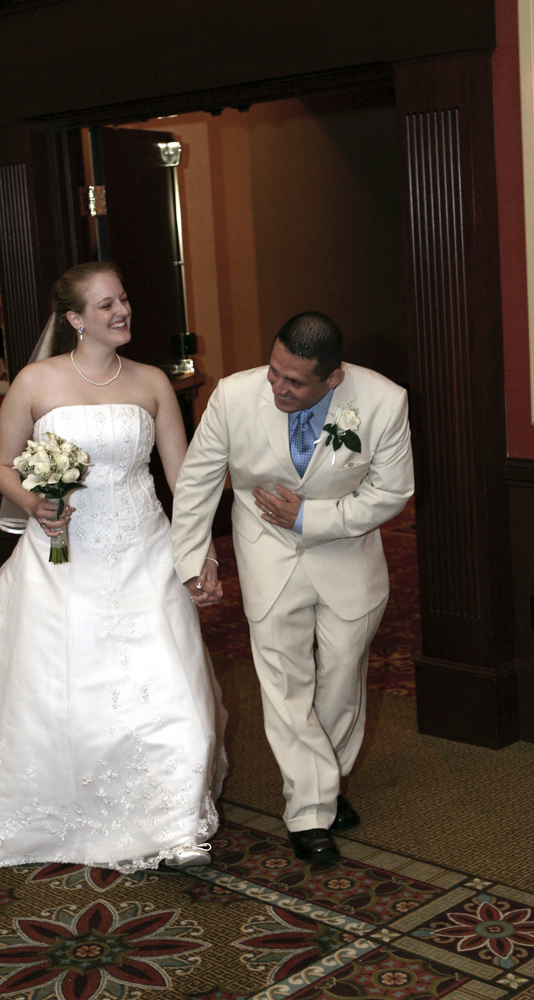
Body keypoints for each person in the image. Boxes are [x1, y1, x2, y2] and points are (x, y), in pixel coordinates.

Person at [0, 262, 226, 872]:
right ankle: (64, 807)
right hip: (65, 557)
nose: (122, 312)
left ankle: (175, 822)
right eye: (107, 304)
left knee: (170, 682)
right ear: (75, 319)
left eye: (125, 300)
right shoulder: (36, 381)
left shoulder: (152, 383)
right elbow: (2, 465)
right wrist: (36, 501)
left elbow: (183, 480)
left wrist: (203, 554)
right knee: (65, 690)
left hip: (143, 550)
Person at [172, 311, 413, 865]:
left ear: (333, 378)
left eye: (294, 381)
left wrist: (311, 517)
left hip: (347, 556)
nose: (277, 386)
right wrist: (194, 559)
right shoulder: (233, 396)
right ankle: (309, 812)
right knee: (284, 683)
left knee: (342, 679)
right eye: (274, 371)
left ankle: (321, 786)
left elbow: (392, 492)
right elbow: (199, 480)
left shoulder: (383, 401)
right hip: (267, 555)